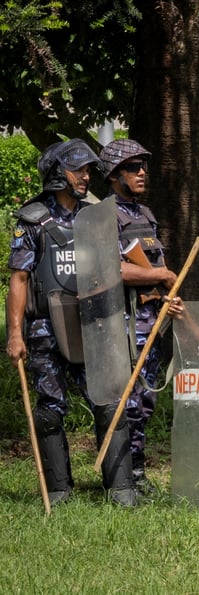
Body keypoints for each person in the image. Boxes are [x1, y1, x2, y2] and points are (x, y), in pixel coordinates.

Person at [5, 139, 137, 505]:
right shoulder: (32, 221)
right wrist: (14, 334)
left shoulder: (95, 217)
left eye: (88, 170)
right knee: (49, 411)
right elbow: (17, 280)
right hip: (45, 329)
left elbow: (114, 270)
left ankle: (122, 488)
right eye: (78, 170)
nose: (85, 176)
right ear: (56, 175)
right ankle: (60, 490)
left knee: (111, 399)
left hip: (91, 325)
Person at [98, 139, 184, 495]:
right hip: (123, 322)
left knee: (145, 403)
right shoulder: (104, 216)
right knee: (126, 403)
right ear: (114, 175)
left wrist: (167, 294)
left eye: (143, 166)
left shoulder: (144, 215)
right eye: (133, 167)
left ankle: (136, 474)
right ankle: (120, 478)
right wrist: (160, 276)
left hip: (151, 319)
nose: (142, 172)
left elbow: (151, 263)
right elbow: (110, 270)